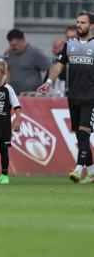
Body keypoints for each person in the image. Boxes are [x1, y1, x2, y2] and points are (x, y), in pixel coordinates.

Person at [38, 11, 94, 183]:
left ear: (91, 26)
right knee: (79, 136)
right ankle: (92, 172)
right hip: (74, 96)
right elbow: (58, 65)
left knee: (84, 134)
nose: (79, 25)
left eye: (83, 22)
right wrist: (48, 81)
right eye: (78, 22)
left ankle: (78, 169)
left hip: (91, 97)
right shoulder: (69, 45)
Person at [5, 29, 51, 95]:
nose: (12, 47)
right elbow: (7, 70)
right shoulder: (9, 53)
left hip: (31, 96)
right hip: (14, 95)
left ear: (22, 41)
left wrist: (47, 84)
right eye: (11, 45)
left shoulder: (35, 52)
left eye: (14, 45)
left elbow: (50, 68)